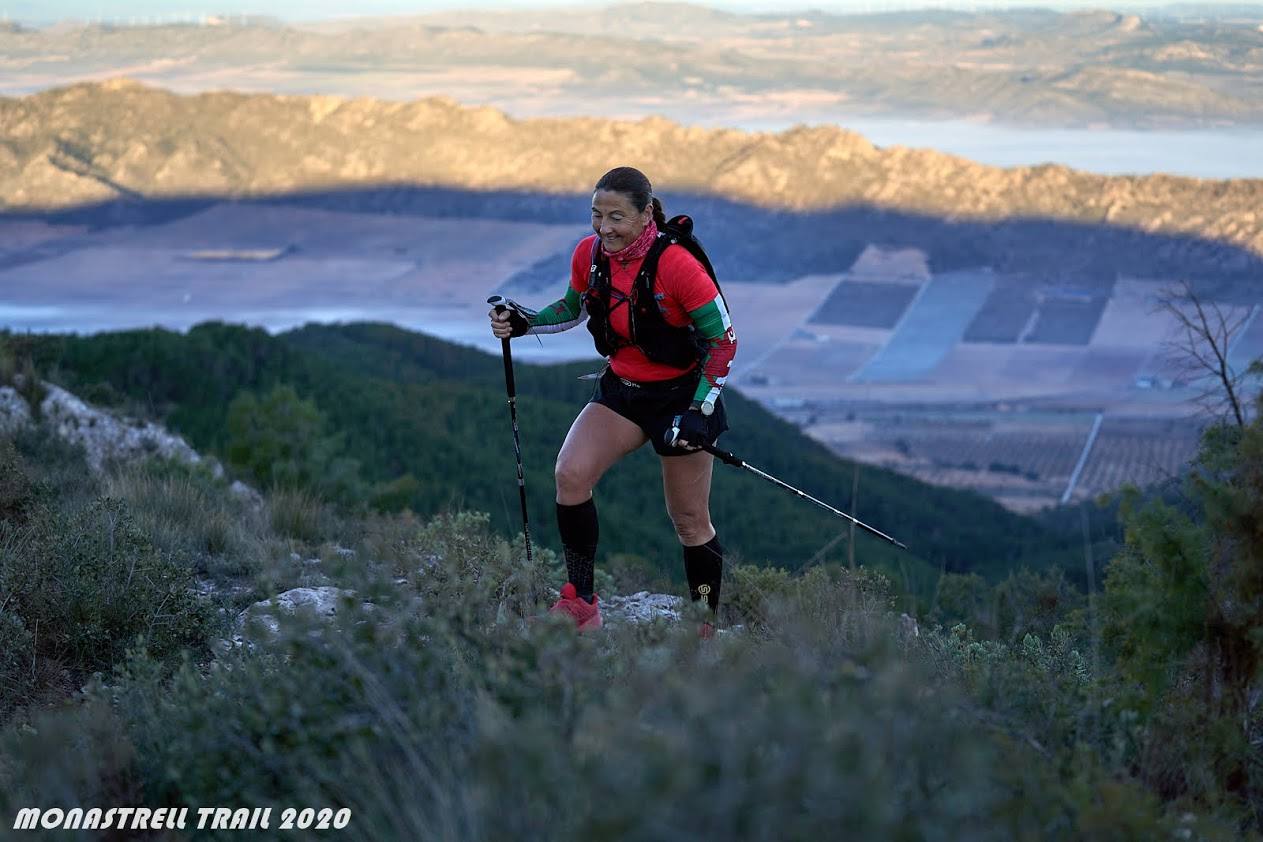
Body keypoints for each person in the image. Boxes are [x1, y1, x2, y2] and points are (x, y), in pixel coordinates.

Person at [488, 166, 737, 635]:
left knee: (689, 519)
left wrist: (698, 413)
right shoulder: (591, 254)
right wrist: (525, 322)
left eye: (617, 217)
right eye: (597, 215)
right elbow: (572, 308)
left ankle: (703, 629)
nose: (604, 228)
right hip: (623, 389)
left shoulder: (678, 265)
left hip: (682, 399)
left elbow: (723, 342)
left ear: (647, 215)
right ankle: (582, 602)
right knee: (570, 474)